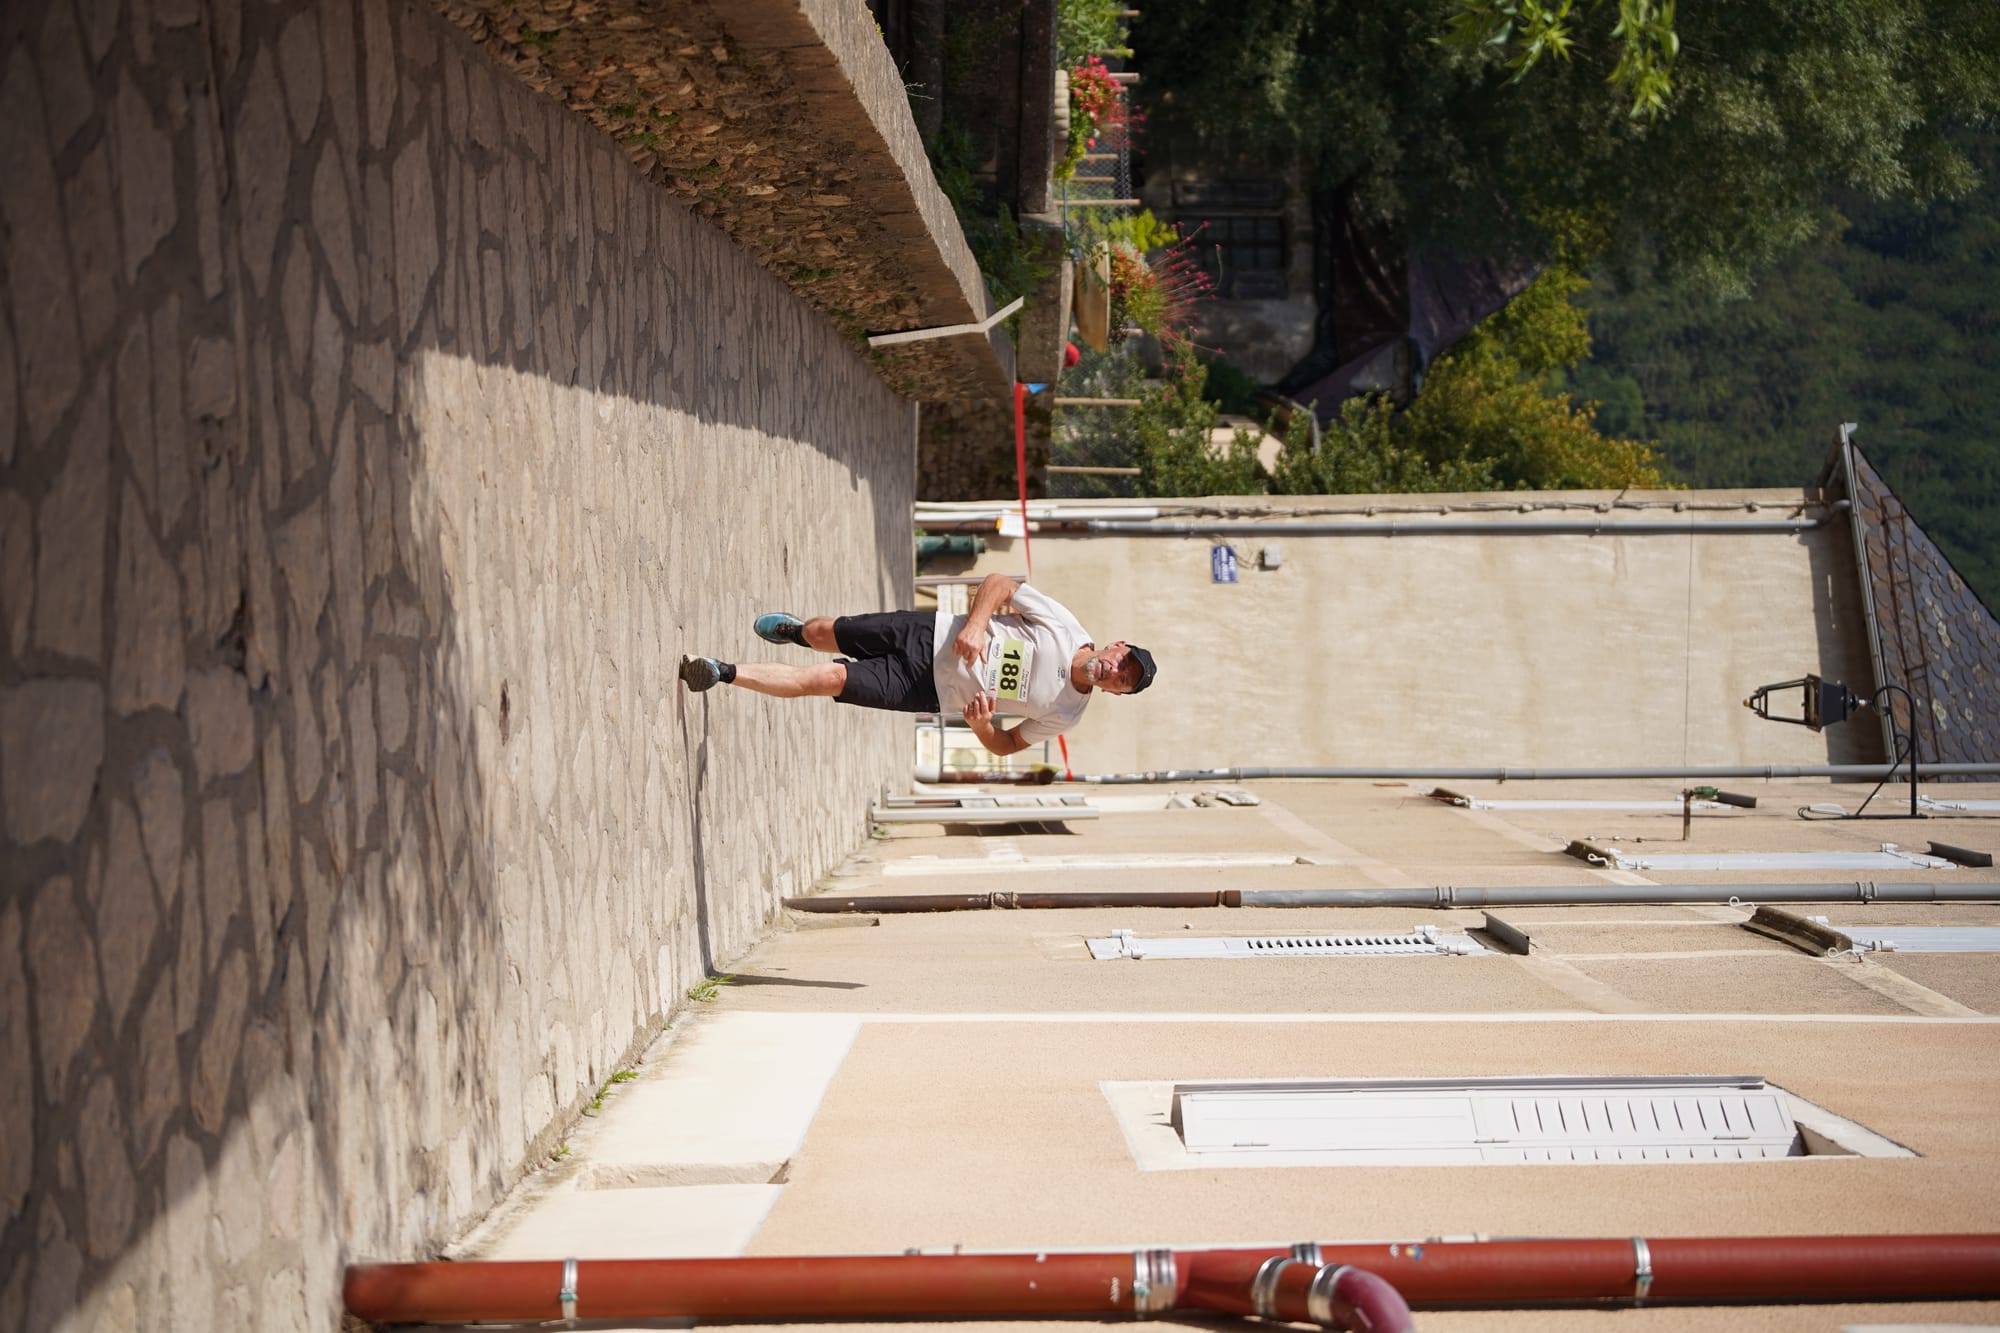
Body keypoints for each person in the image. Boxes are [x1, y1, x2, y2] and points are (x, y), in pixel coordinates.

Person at [678, 573, 1155, 755]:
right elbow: (1000, 583)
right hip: (930, 632)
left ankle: (722, 671)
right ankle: (798, 632)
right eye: (1122, 663)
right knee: (824, 634)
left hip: (926, 690)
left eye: (1122, 681)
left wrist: (984, 726)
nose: (1115, 671)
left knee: (825, 679)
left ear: (1115, 693)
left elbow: (1007, 744)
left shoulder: (1067, 713)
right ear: (1116, 645)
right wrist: (974, 626)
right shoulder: (1066, 626)